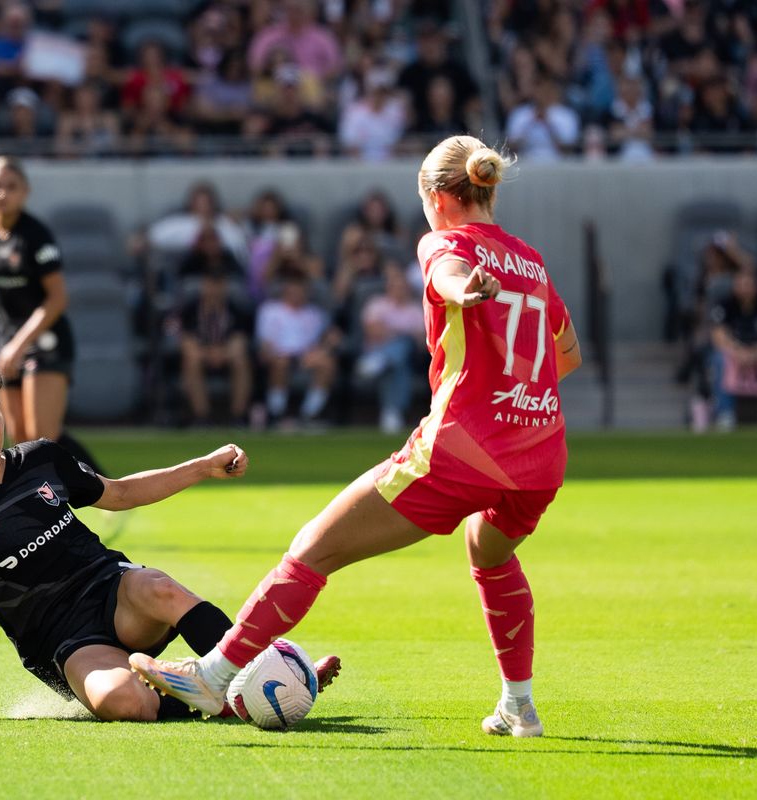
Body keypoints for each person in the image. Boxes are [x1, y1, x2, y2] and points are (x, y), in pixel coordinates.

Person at [131, 135, 583, 740]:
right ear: (489, 189)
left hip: (462, 451)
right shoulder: (530, 259)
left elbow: (449, 272)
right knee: (490, 552)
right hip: (541, 455)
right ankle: (519, 705)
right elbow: (568, 355)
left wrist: (461, 291)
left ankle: (216, 674)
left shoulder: (445, 241)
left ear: (433, 195)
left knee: (315, 546)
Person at [0, 353, 340, 722]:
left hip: (110, 589)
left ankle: (275, 676)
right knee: (125, 703)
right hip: (63, 639)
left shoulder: (41, 459)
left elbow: (120, 493)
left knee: (161, 588)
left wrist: (203, 467)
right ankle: (206, 687)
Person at [0, 157, 102, 473]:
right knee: (21, 439)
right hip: (8, 343)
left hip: (45, 343)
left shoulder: (36, 236)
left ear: (25, 192)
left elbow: (57, 298)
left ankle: (108, 490)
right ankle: (45, 508)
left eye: (11, 187)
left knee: (43, 435)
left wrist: (20, 344)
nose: (2, 193)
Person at [255, 269, 336, 424]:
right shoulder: (270, 310)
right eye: (293, 290)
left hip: (306, 357)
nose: (297, 294)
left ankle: (309, 414)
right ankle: (276, 414)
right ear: (285, 291)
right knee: (281, 363)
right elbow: (265, 343)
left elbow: (321, 342)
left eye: (301, 291)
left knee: (327, 364)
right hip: (278, 355)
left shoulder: (314, 314)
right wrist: (275, 354)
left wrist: (324, 347)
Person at [178, 268, 252, 427]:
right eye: (210, 286)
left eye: (219, 286)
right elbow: (187, 341)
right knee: (191, 360)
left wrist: (221, 353)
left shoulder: (235, 309)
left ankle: (237, 416)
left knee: (240, 360)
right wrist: (208, 353)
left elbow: (239, 341)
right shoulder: (190, 310)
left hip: (227, 355)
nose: (214, 291)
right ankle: (202, 416)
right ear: (203, 286)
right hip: (200, 355)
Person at [356, 262, 426, 433]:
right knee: (397, 365)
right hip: (376, 350)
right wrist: (402, 332)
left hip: (410, 355)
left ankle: (384, 361)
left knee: (403, 344)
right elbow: (373, 331)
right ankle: (392, 411)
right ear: (388, 288)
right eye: (396, 286)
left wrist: (393, 332)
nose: (399, 290)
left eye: (402, 287)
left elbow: (421, 339)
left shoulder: (416, 309)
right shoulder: (377, 304)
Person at [709, 270, 757, 431]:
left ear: (756, 286)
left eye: (748, 284)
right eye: (741, 284)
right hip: (733, 351)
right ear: (734, 286)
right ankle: (725, 413)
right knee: (720, 359)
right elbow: (718, 334)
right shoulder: (725, 304)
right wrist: (737, 351)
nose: (745, 288)